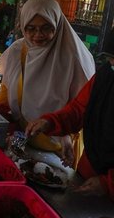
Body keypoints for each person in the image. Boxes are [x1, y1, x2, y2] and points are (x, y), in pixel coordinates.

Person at [0, 0, 95, 161]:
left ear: (58, 24)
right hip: (19, 140)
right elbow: (5, 98)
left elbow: (82, 108)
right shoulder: (17, 51)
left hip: (59, 147)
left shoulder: (75, 58)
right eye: (31, 28)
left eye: (46, 28)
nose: (37, 35)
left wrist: (66, 134)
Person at [25, 29, 114, 200]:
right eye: (111, 59)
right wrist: (50, 122)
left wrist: (108, 184)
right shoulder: (106, 75)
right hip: (88, 172)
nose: (111, 63)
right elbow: (78, 109)